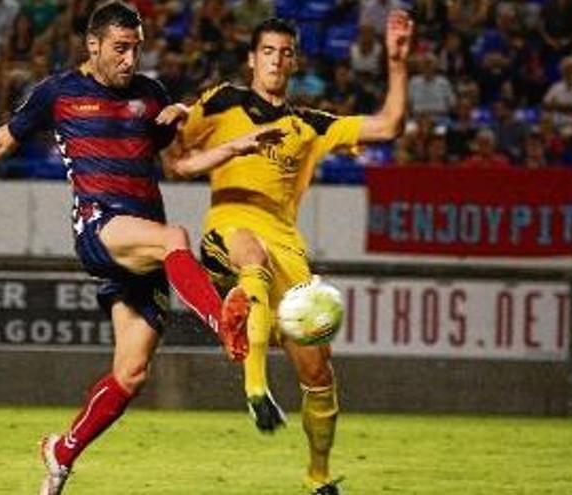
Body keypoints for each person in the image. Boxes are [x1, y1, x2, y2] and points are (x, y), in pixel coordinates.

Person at [0, 2, 269, 493]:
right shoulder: (58, 93)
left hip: (146, 245)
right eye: (120, 48)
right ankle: (222, 322)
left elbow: (180, 165)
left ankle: (61, 452)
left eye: (136, 48)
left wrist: (216, 141)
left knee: (131, 373)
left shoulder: (150, 94)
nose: (129, 59)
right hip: (101, 228)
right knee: (175, 239)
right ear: (93, 45)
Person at [161, 12, 413, 495]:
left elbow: (389, 126)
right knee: (250, 257)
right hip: (228, 231)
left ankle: (318, 477)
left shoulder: (308, 126)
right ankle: (255, 387)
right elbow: (178, 154)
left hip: (289, 255)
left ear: (294, 62)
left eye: (285, 52)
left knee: (319, 373)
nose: (276, 60)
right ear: (253, 59)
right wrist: (173, 114)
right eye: (268, 51)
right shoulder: (223, 100)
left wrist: (398, 64)